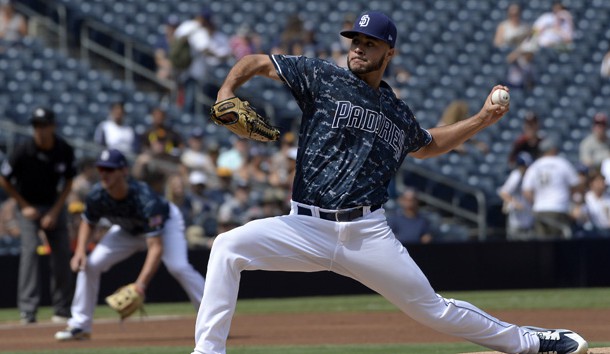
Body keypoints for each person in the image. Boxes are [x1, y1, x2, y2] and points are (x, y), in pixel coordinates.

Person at [190, 11, 588, 354]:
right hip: (304, 226)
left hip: (366, 233)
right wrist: (227, 90)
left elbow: (428, 145)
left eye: (370, 42)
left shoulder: (396, 111)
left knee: (434, 309)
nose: (359, 47)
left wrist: (482, 118)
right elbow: (257, 62)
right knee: (227, 246)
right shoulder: (322, 76)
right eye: (355, 40)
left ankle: (533, 342)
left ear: (389, 52)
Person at [54, 149, 205, 341]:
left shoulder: (145, 198)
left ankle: (212, 318)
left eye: (110, 169)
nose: (104, 174)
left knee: (178, 267)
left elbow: (155, 247)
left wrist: (140, 285)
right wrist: (80, 251)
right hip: (127, 230)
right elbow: (88, 221)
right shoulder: (97, 194)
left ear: (123, 171)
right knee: (90, 265)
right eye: (101, 169)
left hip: (165, 226)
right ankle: (80, 325)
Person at [0, 107, 75, 324]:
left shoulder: (63, 149)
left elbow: (69, 181)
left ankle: (62, 309)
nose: (39, 130)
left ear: (52, 126)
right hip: (29, 207)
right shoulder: (23, 150)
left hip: (53, 205)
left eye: (43, 125)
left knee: (61, 253)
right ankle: (28, 310)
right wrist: (23, 205)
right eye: (36, 126)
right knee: (30, 251)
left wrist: (55, 210)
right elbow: (4, 179)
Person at [522, 136, 580, 239]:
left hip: (540, 209)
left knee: (543, 247)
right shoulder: (562, 163)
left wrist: (536, 201)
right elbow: (576, 185)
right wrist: (569, 197)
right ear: (553, 149)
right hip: (558, 208)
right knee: (558, 247)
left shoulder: (535, 166)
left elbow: (526, 191)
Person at [498, 151, 535, 240]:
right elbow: (503, 192)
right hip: (516, 219)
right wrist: (514, 203)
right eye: (524, 166)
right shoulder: (516, 175)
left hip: (529, 218)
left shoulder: (532, 176)